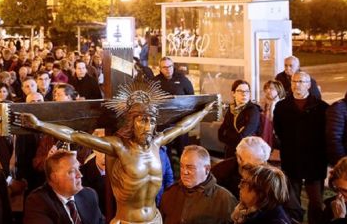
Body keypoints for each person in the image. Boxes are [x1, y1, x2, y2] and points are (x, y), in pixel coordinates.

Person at [15, 81, 216, 224]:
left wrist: (205, 112)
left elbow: (182, 127)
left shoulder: (157, 142)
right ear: (132, 121)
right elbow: (75, 136)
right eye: (143, 120)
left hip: (155, 219)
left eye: (152, 120)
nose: (148, 125)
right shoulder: (119, 147)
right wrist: (41, 124)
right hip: (127, 221)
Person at [274, 71, 328, 224]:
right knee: (292, 201)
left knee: (316, 202)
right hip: (292, 159)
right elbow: (279, 130)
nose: (297, 85)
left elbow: (326, 133)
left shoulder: (321, 108)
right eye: (294, 81)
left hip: (315, 161)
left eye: (302, 82)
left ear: (309, 85)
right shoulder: (282, 106)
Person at [159, 145, 237, 224]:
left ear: (207, 169)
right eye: (182, 166)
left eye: (190, 168)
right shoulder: (169, 194)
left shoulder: (225, 200)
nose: (184, 172)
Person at [23, 149, 105, 224]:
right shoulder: (37, 202)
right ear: (54, 177)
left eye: (78, 168)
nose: (80, 175)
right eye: (72, 171)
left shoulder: (89, 195)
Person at [218, 80, 262, 158]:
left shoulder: (253, 110)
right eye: (240, 91)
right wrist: (231, 136)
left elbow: (243, 135)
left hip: (247, 153)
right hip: (230, 151)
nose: (244, 94)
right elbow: (220, 133)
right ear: (233, 93)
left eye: (247, 91)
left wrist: (228, 134)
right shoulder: (231, 109)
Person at [260, 80, 285, 149]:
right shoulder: (264, 104)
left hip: (278, 137)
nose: (268, 91)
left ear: (278, 90)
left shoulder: (283, 105)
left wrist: (273, 104)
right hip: (265, 136)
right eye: (266, 88)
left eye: (271, 88)